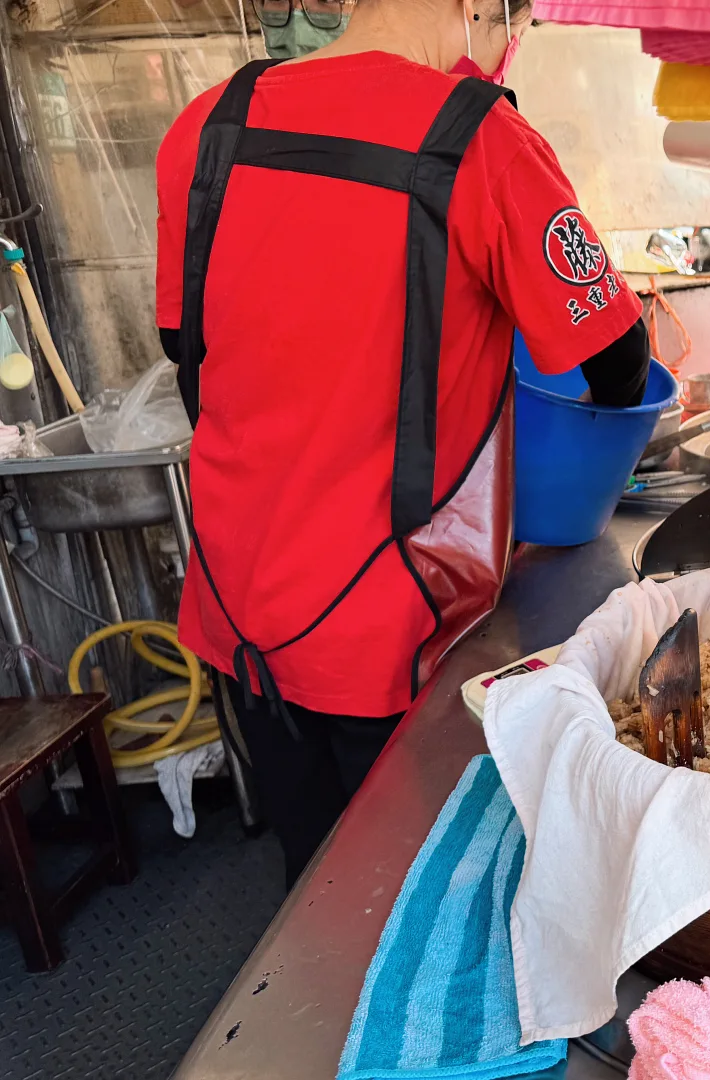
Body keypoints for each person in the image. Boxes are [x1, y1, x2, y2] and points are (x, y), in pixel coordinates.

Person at [153, 0, 649, 888]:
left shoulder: (209, 124)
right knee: (419, 899)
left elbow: (184, 347)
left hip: (237, 605)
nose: (510, 46)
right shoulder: (483, 137)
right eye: (516, 23)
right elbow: (616, 356)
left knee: (314, 892)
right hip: (392, 624)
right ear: (479, 9)